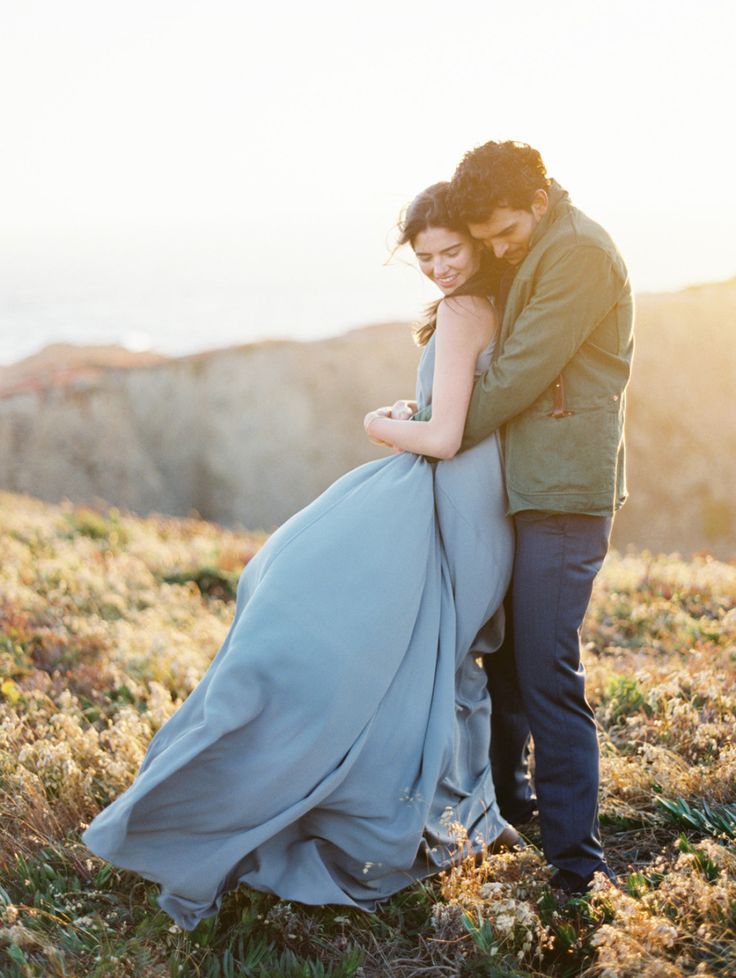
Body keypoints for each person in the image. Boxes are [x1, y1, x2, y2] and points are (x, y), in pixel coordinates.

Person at [81, 182, 519, 931]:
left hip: (441, 498)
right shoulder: (508, 303)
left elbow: (443, 438)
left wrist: (380, 423)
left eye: (452, 252)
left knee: (288, 609)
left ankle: (228, 793)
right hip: (484, 507)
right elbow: (461, 415)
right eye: (426, 259)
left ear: (478, 242)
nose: (441, 269)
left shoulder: (461, 310)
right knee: (422, 662)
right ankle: (437, 815)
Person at [413, 141, 635, 896]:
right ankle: (510, 806)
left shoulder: (577, 254)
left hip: (565, 493)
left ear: (539, 202)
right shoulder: (539, 245)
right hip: (525, 489)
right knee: (508, 663)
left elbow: (515, 377)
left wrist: (429, 428)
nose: (499, 250)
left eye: (506, 233)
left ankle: (579, 866)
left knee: (547, 671)